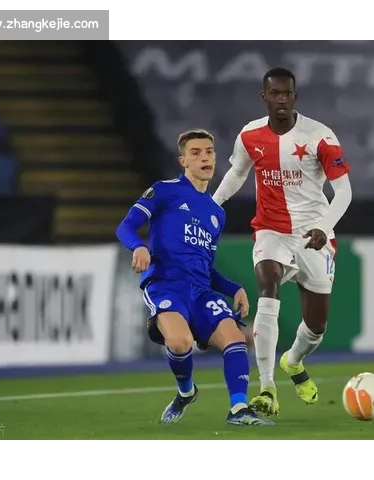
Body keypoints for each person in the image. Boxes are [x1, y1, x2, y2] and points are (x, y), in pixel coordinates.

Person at [212, 68, 353, 418]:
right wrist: (212, 205)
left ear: (295, 96)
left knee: (316, 327)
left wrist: (324, 227)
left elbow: (344, 192)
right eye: (274, 93)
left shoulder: (319, 136)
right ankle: (267, 388)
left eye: (287, 93)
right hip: (270, 230)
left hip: (313, 235)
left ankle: (293, 360)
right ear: (264, 97)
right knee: (267, 286)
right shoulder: (250, 135)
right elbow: (237, 172)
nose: (281, 100)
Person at [116, 128, 274, 426]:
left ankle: (239, 409)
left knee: (235, 338)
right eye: (196, 153)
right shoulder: (164, 191)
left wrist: (234, 288)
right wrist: (138, 246)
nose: (205, 158)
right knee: (179, 343)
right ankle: (186, 391)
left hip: (201, 291)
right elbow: (125, 226)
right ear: (183, 161)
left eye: (209, 152)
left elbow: (206, 267)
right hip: (166, 285)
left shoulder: (216, 213)